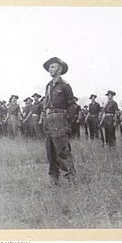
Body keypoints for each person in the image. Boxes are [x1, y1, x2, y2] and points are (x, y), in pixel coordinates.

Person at [42, 57, 76, 186]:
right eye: (50, 67)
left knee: (62, 152)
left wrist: (67, 122)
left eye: (54, 67)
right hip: (49, 120)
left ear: (60, 69)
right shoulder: (48, 86)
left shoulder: (65, 85)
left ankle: (70, 180)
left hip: (60, 120)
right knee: (50, 152)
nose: (51, 69)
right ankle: (54, 181)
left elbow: (72, 105)